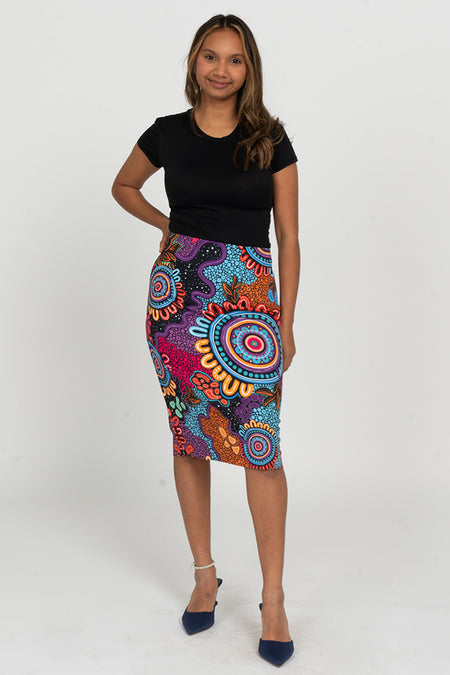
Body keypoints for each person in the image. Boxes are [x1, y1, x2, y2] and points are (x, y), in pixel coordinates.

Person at [111, 14, 300, 668]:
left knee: (260, 447)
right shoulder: (166, 133)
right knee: (189, 435)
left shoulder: (270, 138)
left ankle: (273, 598)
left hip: (248, 301)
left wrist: (285, 321)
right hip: (178, 298)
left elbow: (289, 237)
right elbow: (123, 185)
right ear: (195, 62)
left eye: (235, 59)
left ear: (249, 69)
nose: (222, 70)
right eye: (211, 56)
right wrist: (167, 225)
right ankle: (203, 573)